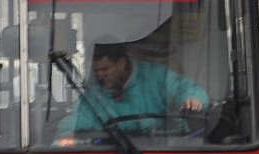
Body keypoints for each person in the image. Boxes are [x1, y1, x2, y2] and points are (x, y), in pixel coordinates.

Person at [61, 42, 210, 135]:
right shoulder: (93, 97)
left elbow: (186, 89)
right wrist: (62, 142)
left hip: (166, 151)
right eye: (96, 71)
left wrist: (193, 100)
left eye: (105, 69)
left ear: (121, 63)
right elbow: (71, 125)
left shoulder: (155, 77)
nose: (100, 75)